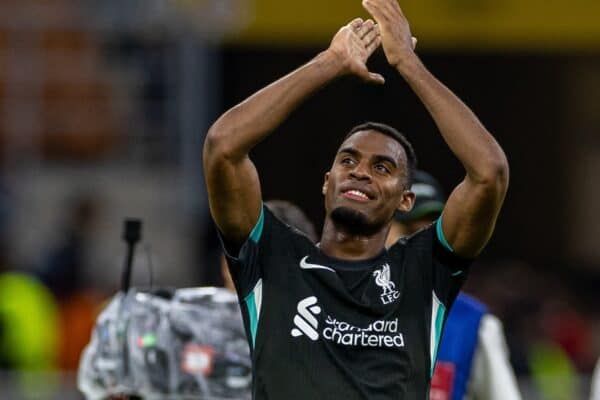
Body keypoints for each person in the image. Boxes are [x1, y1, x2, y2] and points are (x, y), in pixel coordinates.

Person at [203, 0, 509, 397]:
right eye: (348, 160)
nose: (361, 171)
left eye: (383, 167)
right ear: (327, 182)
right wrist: (331, 61)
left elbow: (490, 173)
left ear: (405, 201)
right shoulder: (274, 260)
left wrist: (408, 64)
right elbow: (222, 146)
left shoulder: (422, 271)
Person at [386, 170, 521, 400]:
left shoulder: (474, 324)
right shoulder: (340, 307)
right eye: (409, 231)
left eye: (431, 233)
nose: (422, 244)